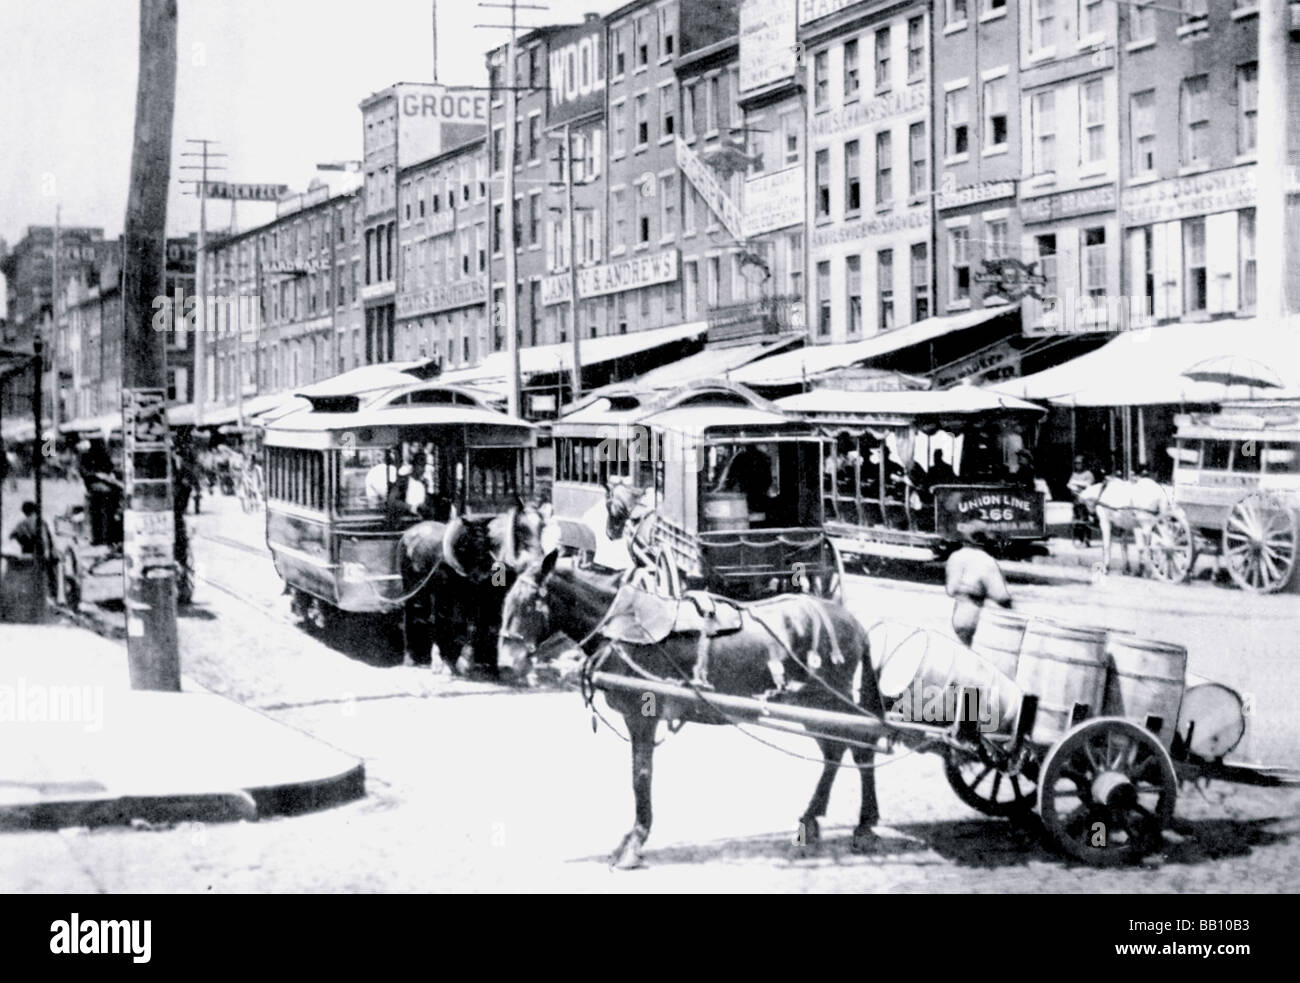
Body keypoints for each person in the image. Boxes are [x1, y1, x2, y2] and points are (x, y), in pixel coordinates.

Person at [945, 530, 1013, 647]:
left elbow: (950, 589)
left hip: (957, 609)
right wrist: (1010, 605)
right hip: (972, 609)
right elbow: (999, 594)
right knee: (966, 647)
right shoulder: (985, 560)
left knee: (957, 646)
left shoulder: (955, 556)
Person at [1067, 455, 1096, 547]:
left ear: (1084, 464)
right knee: (1077, 521)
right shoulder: (1074, 474)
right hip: (1076, 500)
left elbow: (1088, 485)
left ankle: (1087, 539)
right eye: (1076, 463)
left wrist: (1076, 483)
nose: (1078, 465)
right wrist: (1076, 486)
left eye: (1079, 463)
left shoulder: (1088, 474)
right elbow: (1069, 484)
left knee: (1085, 520)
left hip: (1086, 501)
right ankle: (1080, 539)